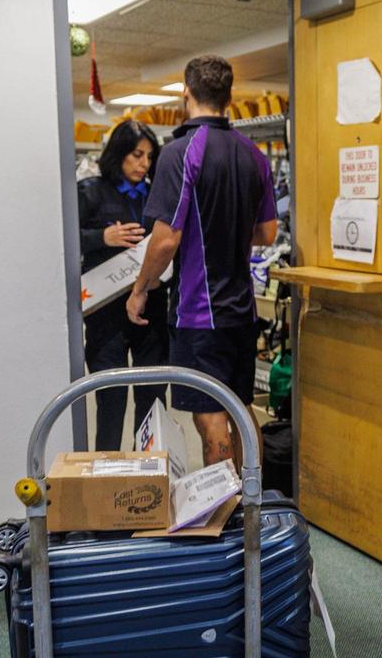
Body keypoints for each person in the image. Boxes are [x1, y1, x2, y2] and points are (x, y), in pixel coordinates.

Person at [127, 55, 277, 469]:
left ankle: (224, 521)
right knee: (242, 412)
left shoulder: (180, 153)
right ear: (228, 98)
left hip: (199, 313)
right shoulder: (254, 155)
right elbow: (267, 234)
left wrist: (140, 289)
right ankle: (252, 512)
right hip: (241, 312)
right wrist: (228, 231)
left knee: (210, 418)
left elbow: (165, 240)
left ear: (186, 93)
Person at [79, 120, 169, 451]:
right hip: (106, 316)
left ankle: (147, 482)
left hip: (152, 309)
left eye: (149, 156)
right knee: (111, 400)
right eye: (136, 154)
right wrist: (102, 236)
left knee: (152, 398)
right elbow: (62, 241)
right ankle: (107, 482)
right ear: (118, 154)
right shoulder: (90, 191)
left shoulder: (159, 194)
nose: (143, 163)